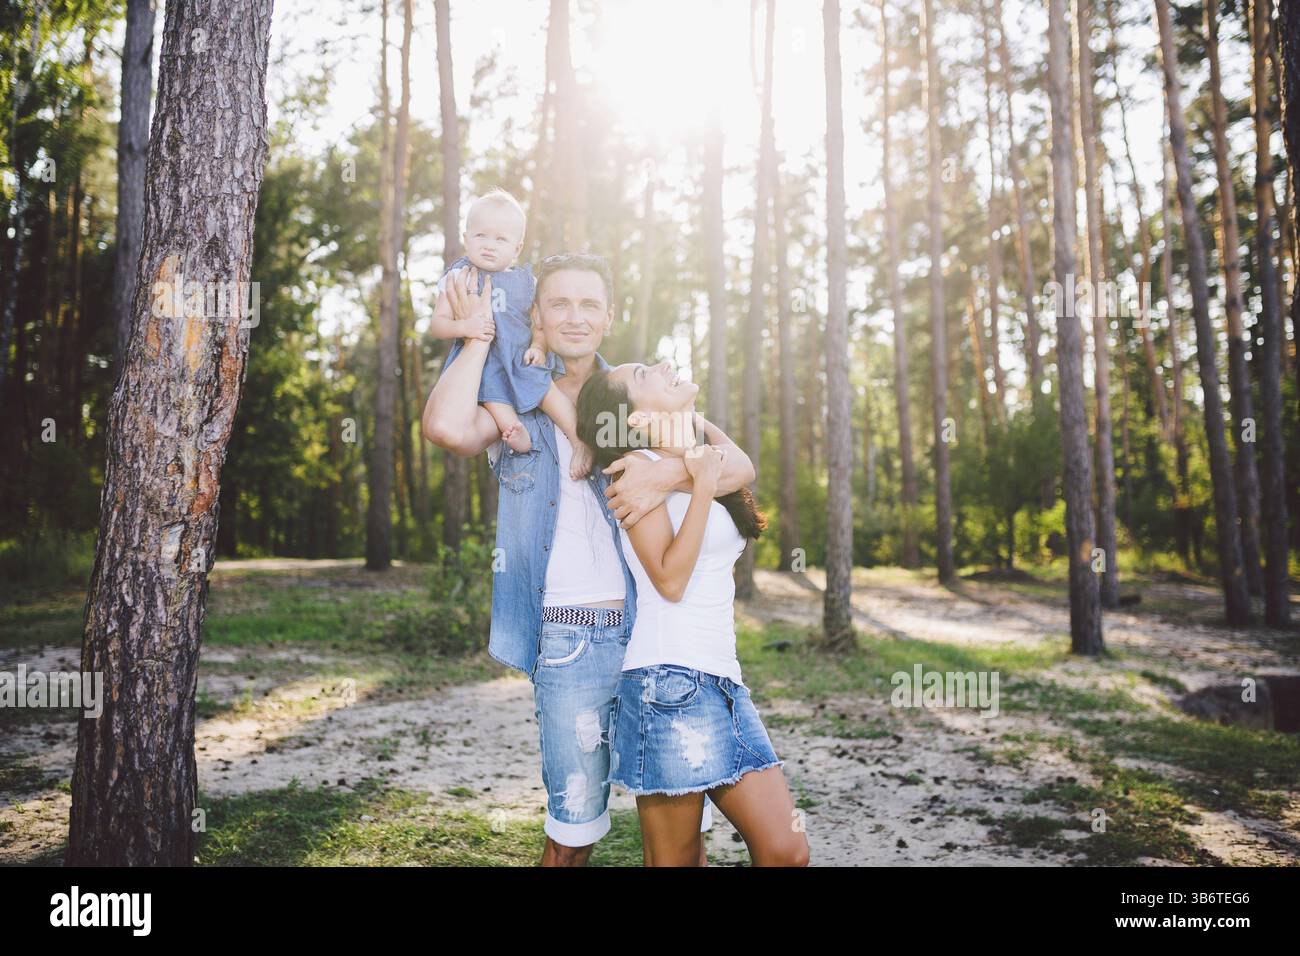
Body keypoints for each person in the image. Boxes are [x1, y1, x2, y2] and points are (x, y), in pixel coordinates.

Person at [420, 253, 756, 866]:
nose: (575, 317)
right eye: (559, 304)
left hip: (654, 637)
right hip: (571, 639)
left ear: (608, 318)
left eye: (589, 305)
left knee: (686, 835)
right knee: (572, 838)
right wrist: (475, 338)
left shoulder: (635, 397)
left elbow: (738, 468)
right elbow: (445, 428)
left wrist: (668, 476)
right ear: (537, 320)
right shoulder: (513, 406)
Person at [575, 362, 810, 867]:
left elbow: (743, 467)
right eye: (643, 373)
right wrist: (700, 486)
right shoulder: (632, 470)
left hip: (723, 679)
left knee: (786, 850)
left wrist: (684, 469)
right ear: (633, 419)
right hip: (668, 682)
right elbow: (670, 580)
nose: (663, 365)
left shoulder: (696, 443)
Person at [428, 188, 592, 479]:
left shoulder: (526, 282)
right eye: (481, 236)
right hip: (483, 361)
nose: (489, 245)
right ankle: (513, 431)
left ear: (517, 248)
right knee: (491, 391)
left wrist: (539, 346)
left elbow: (538, 322)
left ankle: (578, 439)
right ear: (466, 238)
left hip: (519, 355)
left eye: (500, 239)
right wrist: (465, 328)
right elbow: (438, 324)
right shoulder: (457, 277)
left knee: (544, 388)